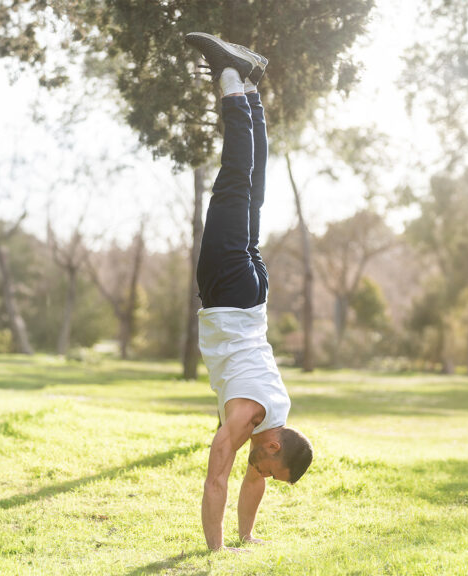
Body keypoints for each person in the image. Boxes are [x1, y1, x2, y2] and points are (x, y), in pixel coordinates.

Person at [184, 32, 314, 553]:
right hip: (229, 293)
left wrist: (246, 536)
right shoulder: (247, 420)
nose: (261, 474)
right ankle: (232, 81)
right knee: (235, 185)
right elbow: (218, 479)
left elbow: (252, 480)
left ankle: (253, 93)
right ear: (275, 445)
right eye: (271, 468)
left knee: (251, 200)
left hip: (254, 297)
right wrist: (214, 553)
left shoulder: (277, 415)